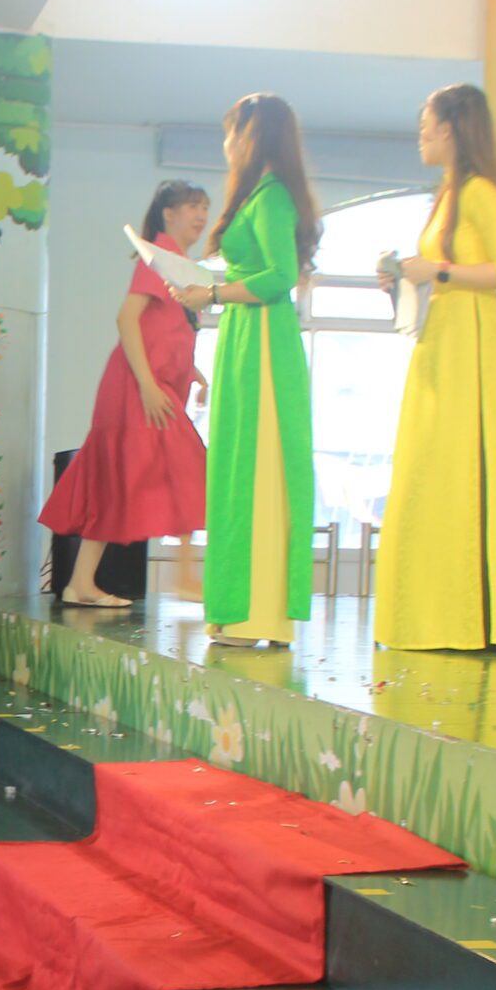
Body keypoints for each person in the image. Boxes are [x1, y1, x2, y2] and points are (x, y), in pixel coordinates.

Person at [373, 85, 496, 651]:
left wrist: (439, 272)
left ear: (450, 129)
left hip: (469, 346)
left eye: (426, 126)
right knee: (433, 473)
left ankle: (472, 617)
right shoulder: (447, 193)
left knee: (460, 469)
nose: (421, 136)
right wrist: (405, 279)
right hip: (441, 340)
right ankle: (436, 616)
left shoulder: (480, 193)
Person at [176, 93, 321, 647]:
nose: (227, 143)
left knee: (256, 471)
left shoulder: (272, 196)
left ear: (253, 136)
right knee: (241, 469)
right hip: (247, 335)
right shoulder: (262, 195)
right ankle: (245, 609)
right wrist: (210, 290)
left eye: (232, 131)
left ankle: (256, 613)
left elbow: (280, 277)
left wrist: (212, 292)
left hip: (262, 340)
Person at [40, 182, 213, 608]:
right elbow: (126, 318)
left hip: (148, 385)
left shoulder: (180, 265)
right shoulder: (159, 258)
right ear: (168, 213)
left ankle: (80, 582)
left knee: (119, 477)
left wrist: (191, 371)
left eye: (205, 208)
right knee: (183, 464)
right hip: (137, 387)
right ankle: (185, 574)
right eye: (193, 207)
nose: (201, 216)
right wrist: (149, 384)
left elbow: (167, 330)